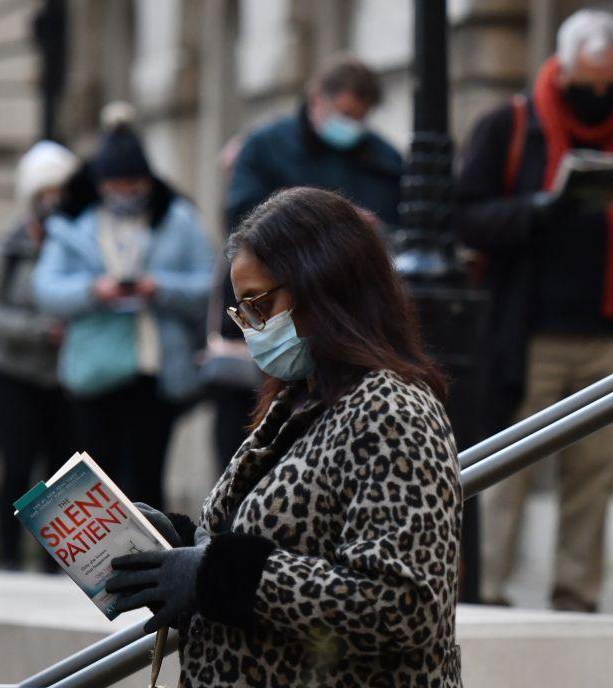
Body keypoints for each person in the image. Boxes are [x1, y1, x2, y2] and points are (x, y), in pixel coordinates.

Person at [105, 187, 463, 687]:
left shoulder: (394, 410)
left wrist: (215, 575)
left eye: (260, 304)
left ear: (326, 285)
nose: (251, 328)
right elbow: (282, 544)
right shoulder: (300, 399)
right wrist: (181, 546)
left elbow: (404, 606)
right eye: (241, 312)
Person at [456, 9, 613, 613]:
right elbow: (464, 215)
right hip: (527, 335)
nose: (597, 92)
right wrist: (539, 210)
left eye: (609, 80)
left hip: (612, 332)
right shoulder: (510, 125)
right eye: (587, 79)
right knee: (505, 473)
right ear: (563, 66)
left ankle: (575, 599)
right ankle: (486, 595)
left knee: (593, 479)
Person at [210, 56, 402, 469]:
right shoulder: (266, 147)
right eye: (345, 113)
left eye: (360, 116)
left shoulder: (382, 159)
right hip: (279, 308)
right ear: (318, 101)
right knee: (252, 432)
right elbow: (243, 223)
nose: (351, 124)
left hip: (346, 318)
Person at [32, 113, 214, 511]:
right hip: (93, 371)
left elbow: (211, 283)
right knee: (98, 480)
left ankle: (151, 567)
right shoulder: (73, 225)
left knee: (148, 477)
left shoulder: (178, 219)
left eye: (134, 184)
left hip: (157, 368)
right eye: (117, 185)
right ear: (100, 185)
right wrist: (93, 291)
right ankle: (99, 568)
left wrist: (160, 288)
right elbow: (46, 289)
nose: (126, 193)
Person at [0, 141, 78, 571]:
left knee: (60, 478)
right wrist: (37, 331)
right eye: (44, 194)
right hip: (15, 375)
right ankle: (7, 559)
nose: (51, 204)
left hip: (65, 379)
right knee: (16, 471)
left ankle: (54, 564)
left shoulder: (78, 241)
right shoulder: (9, 247)